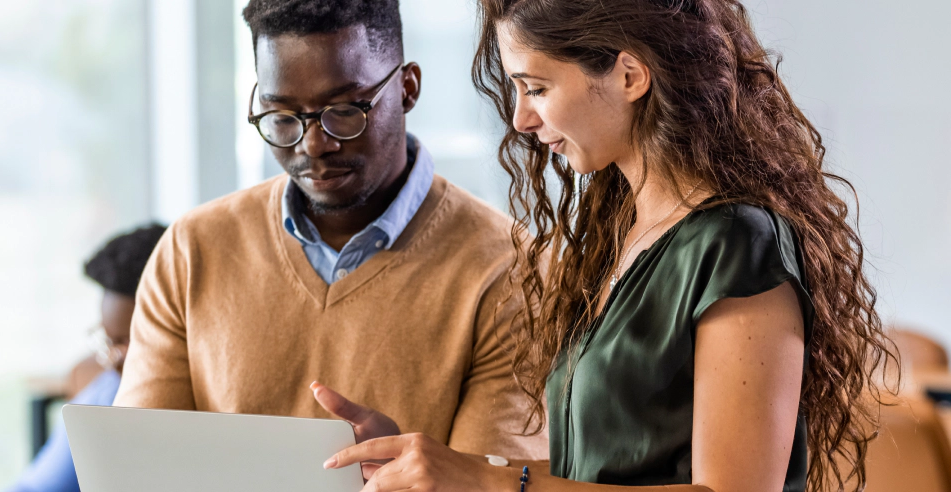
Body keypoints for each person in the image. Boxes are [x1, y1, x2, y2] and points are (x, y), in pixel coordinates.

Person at [320, 1, 898, 491]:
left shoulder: (736, 244)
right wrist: (426, 464)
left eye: (537, 88)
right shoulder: (619, 238)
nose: (521, 118)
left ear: (629, 75)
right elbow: (599, 475)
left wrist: (491, 482)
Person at [113, 0, 546, 460]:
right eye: (282, 116)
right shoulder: (192, 250)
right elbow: (141, 467)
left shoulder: (513, 268)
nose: (314, 144)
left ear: (407, 88)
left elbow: (490, 483)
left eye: (343, 110)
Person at [7, 224, 166, 492]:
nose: (115, 359)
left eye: (133, 341)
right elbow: (35, 487)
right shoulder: (105, 396)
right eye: (111, 341)